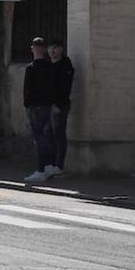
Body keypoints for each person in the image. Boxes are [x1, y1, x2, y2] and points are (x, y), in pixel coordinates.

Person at [22, 36, 56, 183]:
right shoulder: (50, 67)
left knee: (39, 137)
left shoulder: (31, 68)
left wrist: (27, 104)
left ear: (33, 49)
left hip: (35, 106)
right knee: (46, 136)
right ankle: (48, 165)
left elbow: (27, 89)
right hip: (47, 105)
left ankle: (41, 169)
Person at [48, 39, 75, 176]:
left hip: (60, 105)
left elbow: (65, 87)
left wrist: (59, 104)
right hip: (48, 105)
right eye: (50, 48)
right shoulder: (48, 65)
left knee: (58, 134)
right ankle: (51, 163)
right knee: (48, 134)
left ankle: (58, 165)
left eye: (55, 48)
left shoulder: (65, 65)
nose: (52, 51)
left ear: (61, 49)